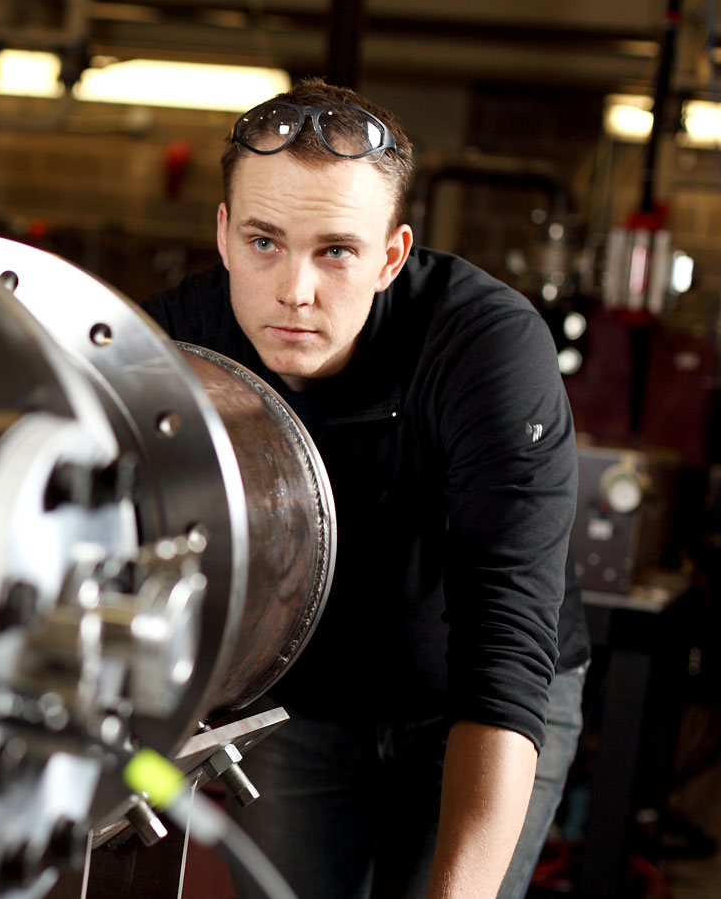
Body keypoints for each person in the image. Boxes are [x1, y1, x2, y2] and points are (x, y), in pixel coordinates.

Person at [140, 79, 590, 899]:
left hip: (478, 695)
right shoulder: (173, 346)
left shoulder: (485, 348)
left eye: (336, 251)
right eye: (264, 242)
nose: (295, 291)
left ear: (391, 255)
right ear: (224, 234)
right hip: (306, 702)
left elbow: (506, 641)